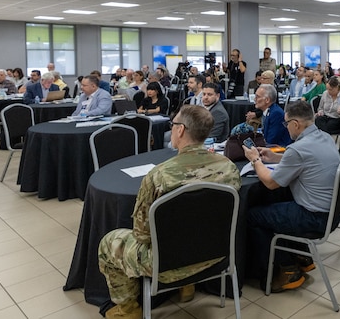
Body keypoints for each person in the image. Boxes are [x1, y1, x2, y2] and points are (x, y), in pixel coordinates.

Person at [98, 105, 241, 318]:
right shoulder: (228, 167)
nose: (172, 129)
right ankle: (187, 287)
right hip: (215, 256)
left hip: (166, 264)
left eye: (173, 125)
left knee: (109, 243)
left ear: (181, 130)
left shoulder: (160, 176)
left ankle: (129, 310)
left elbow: (142, 234)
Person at [242, 100, 339, 293]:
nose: (286, 128)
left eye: (286, 124)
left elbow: (270, 182)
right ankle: (302, 255)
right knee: (278, 202)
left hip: (313, 216)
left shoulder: (298, 149)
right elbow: (303, 160)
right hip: (333, 211)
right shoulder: (325, 137)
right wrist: (276, 157)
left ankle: (285, 268)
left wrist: (255, 160)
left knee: (253, 216)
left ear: (296, 124)